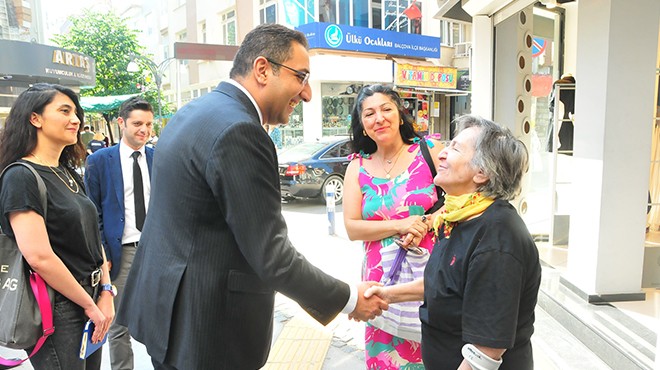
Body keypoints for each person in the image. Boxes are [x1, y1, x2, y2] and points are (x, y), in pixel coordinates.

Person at [115, 23, 387, 370]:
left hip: (169, 320)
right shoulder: (241, 130)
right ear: (262, 69)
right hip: (207, 333)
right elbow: (273, 256)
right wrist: (349, 299)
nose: (307, 94)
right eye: (301, 77)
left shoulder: (194, 112)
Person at [365, 115, 542, 370]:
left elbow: (487, 350)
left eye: (455, 148)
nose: (441, 155)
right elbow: (446, 282)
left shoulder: (497, 238)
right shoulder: (457, 217)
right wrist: (387, 294)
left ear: (482, 173)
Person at [0, 83, 114, 370]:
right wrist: (88, 305)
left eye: (76, 112)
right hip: (57, 306)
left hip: (90, 299)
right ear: (35, 118)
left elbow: (92, 235)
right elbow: (38, 256)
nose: (76, 119)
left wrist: (106, 291)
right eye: (64, 111)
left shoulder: (67, 172)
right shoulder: (20, 176)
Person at [343, 84, 444, 368]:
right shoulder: (357, 167)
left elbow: (463, 200)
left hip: (427, 280)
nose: (379, 118)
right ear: (362, 125)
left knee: (435, 355)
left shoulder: (430, 152)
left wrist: (425, 222)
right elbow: (352, 227)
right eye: (369, 114)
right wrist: (401, 224)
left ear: (401, 115)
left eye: (386, 109)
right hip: (381, 284)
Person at [84, 97, 154, 370]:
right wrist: (103, 254)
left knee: (159, 316)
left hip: (154, 249)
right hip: (120, 252)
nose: (144, 130)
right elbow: (93, 212)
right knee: (118, 322)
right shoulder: (100, 161)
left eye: (148, 124)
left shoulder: (157, 158)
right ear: (121, 122)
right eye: (138, 123)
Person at [546, 74, 576, 153]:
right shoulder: (574, 89)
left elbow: (560, 110)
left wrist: (556, 135)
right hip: (569, 129)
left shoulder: (558, 85)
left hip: (558, 126)